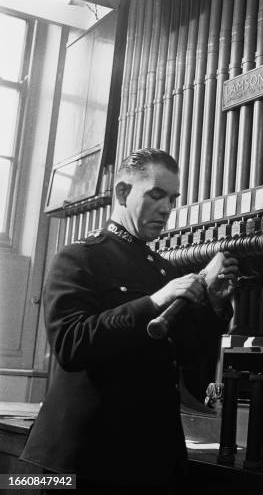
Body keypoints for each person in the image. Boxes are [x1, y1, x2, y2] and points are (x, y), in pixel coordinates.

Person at [21, 148, 238, 494]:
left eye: (172, 198)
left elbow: (188, 357)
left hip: (149, 460)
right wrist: (154, 302)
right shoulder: (79, 257)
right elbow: (71, 345)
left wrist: (212, 304)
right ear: (123, 193)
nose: (166, 209)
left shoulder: (163, 268)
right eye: (156, 195)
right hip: (85, 461)